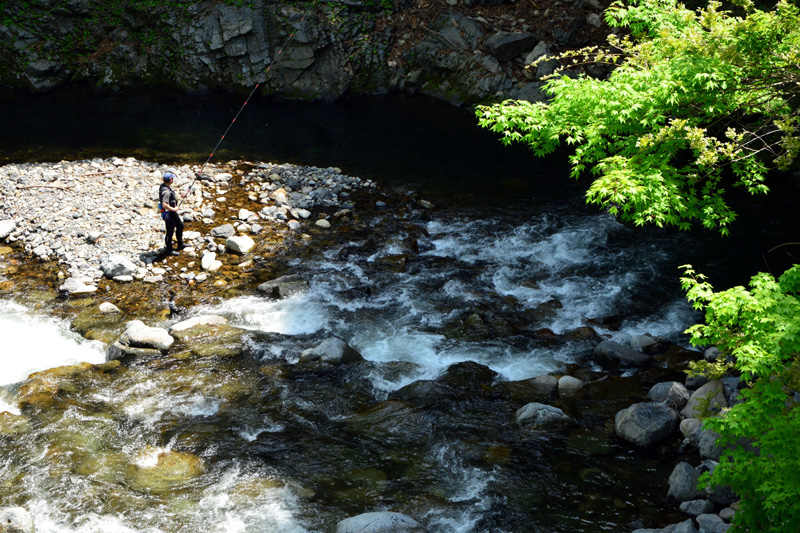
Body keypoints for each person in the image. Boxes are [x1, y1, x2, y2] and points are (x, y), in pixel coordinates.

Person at [159, 171, 186, 256]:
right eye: (172, 178)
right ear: (170, 179)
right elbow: (164, 204)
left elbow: (170, 197)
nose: (173, 179)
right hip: (169, 214)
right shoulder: (166, 192)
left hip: (171, 213)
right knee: (170, 231)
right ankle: (169, 249)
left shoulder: (164, 186)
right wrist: (174, 209)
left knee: (180, 225)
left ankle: (180, 244)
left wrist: (179, 196)